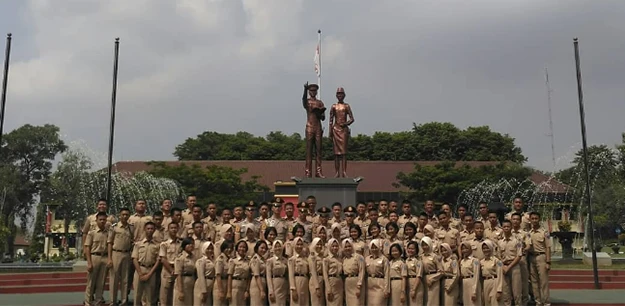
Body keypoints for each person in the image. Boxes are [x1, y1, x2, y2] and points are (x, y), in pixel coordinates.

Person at [107, 207, 134, 306]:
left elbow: (132, 241)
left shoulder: (131, 227)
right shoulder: (114, 227)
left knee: (125, 279)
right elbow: (109, 242)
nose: (125, 216)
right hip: (116, 254)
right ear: (119, 215)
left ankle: (123, 301)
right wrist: (109, 258)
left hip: (126, 254)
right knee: (114, 279)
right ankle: (113, 301)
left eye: (127, 215)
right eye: (123, 214)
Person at [84, 212, 110, 306]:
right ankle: (88, 302)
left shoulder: (108, 233)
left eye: (104, 219)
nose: (102, 221)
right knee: (91, 282)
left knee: (101, 282)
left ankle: (98, 301)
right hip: (94, 257)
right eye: (100, 219)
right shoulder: (92, 233)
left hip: (105, 257)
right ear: (97, 220)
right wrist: (89, 262)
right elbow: (87, 247)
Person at [132, 221, 161, 306]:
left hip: (151, 271)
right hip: (139, 269)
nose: (150, 230)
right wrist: (140, 274)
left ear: (154, 230)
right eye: (148, 228)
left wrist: (149, 274)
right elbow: (134, 259)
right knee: (137, 295)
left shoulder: (157, 245)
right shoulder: (138, 244)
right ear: (145, 229)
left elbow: (158, 261)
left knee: (149, 296)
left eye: (152, 229)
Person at [301, 82, 326, 178]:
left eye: (314, 90)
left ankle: (318, 171)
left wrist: (319, 113)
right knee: (309, 150)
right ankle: (308, 172)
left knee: (319, 150)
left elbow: (323, 117)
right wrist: (304, 89)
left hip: (318, 127)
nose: (313, 92)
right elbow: (303, 101)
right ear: (309, 91)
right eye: (311, 90)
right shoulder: (307, 102)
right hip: (309, 127)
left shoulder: (320, 103)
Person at [328, 87, 355, 177]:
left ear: (344, 95)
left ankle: (344, 172)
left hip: (343, 130)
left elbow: (352, 119)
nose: (340, 95)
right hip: (335, 130)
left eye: (341, 94)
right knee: (336, 154)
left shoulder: (346, 106)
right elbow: (331, 120)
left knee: (343, 153)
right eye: (338, 94)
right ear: (336, 95)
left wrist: (346, 123)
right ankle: (337, 172)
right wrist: (330, 132)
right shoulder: (334, 106)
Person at [528, 211, 551, 306]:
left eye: (536, 218)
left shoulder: (544, 232)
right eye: (532, 218)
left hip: (541, 257)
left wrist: (548, 261)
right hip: (531, 257)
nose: (534, 220)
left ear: (539, 219)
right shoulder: (529, 233)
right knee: (534, 282)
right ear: (530, 220)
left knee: (543, 282)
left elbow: (548, 247)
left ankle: (546, 303)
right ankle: (538, 302)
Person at [159, 222, 182, 306]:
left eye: (175, 228)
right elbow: (163, 259)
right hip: (167, 270)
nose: (173, 229)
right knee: (165, 294)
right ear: (168, 229)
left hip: (178, 270)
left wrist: (177, 271)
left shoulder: (181, 243)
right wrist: (171, 270)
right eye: (171, 228)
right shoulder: (164, 244)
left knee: (175, 294)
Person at [227, 240, 252, 306]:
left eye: (244, 247)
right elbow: (230, 276)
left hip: (243, 286)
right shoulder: (233, 261)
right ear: (237, 248)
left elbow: (249, 276)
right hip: (235, 286)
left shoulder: (248, 261)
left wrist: (247, 290)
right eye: (240, 247)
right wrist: (229, 292)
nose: (242, 249)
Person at [366, 239, 390, 306]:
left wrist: (386, 290)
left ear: (379, 247)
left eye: (375, 247)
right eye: (372, 247)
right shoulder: (367, 259)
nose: (374, 249)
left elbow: (387, 275)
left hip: (380, 285)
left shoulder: (384, 259)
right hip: (369, 285)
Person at [420, 237, 443, 305]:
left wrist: (432, 279)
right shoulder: (420, 257)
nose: (424, 247)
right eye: (423, 245)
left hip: (433, 280)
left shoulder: (434, 256)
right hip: (423, 279)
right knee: (425, 300)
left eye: (426, 245)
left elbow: (441, 271)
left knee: (432, 301)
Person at [342, 239, 365, 306]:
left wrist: (359, 286)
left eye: (349, 246)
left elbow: (362, 271)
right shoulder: (344, 259)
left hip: (356, 283)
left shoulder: (359, 257)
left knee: (357, 303)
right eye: (345, 247)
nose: (347, 248)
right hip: (348, 284)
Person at [480, 240, 504, 305]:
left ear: (491, 248)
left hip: (494, 282)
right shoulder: (481, 262)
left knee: (495, 302)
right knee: (487, 303)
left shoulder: (497, 261)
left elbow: (500, 275)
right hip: (486, 283)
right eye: (484, 248)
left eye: (487, 248)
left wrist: (499, 290)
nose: (485, 250)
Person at [288, 237, 310, 306]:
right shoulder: (292, 259)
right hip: (297, 282)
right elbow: (291, 275)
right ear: (294, 245)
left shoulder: (305, 259)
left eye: (301, 244)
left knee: (305, 302)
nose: (299, 246)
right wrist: (293, 289)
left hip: (305, 282)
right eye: (297, 244)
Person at [174, 237, 196, 306]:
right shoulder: (180, 257)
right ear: (184, 245)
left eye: (192, 244)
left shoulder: (194, 257)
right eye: (189, 244)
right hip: (183, 283)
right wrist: (180, 291)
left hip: (191, 283)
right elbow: (178, 274)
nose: (191, 245)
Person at [266, 240, 289, 306]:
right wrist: (271, 291)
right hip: (274, 285)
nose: (278, 248)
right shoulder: (270, 261)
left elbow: (287, 275)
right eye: (276, 246)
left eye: (279, 246)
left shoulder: (285, 260)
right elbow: (268, 276)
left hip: (283, 285)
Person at [459, 241, 482, 306]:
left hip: (472, 282)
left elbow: (476, 275)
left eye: (466, 248)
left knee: (474, 303)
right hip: (464, 283)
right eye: (462, 249)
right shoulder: (462, 261)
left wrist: (474, 291)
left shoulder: (475, 260)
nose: (464, 250)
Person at [322, 238, 343, 306]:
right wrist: (328, 288)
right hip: (331, 282)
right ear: (329, 247)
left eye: (336, 246)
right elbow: (325, 274)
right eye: (333, 246)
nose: (335, 248)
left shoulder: (339, 258)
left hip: (339, 282)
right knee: (331, 303)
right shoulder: (326, 259)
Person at [194, 241, 215, 306]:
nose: (210, 251)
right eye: (208, 249)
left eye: (211, 249)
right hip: (203, 285)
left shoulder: (212, 260)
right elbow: (201, 275)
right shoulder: (201, 260)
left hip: (210, 285)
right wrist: (204, 290)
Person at [213, 241, 233, 306]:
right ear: (223, 248)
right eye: (227, 248)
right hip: (220, 285)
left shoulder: (229, 259)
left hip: (226, 283)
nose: (229, 250)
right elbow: (218, 275)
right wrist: (221, 291)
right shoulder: (220, 259)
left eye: (231, 248)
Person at [405, 240, 425, 305]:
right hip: (407, 283)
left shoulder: (418, 261)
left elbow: (418, 276)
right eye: (409, 248)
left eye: (412, 249)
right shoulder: (406, 261)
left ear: (416, 250)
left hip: (416, 284)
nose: (410, 250)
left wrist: (414, 289)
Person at [250, 240, 269, 306]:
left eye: (265, 248)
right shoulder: (255, 259)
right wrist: (261, 290)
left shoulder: (262, 259)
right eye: (262, 248)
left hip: (263, 282)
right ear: (257, 248)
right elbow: (256, 275)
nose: (263, 250)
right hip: (257, 284)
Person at [308, 238, 326, 306]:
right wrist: (317, 287)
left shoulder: (322, 256)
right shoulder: (312, 256)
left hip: (322, 279)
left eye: (320, 244)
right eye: (317, 244)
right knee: (317, 303)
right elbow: (313, 272)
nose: (319, 246)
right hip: (315, 280)